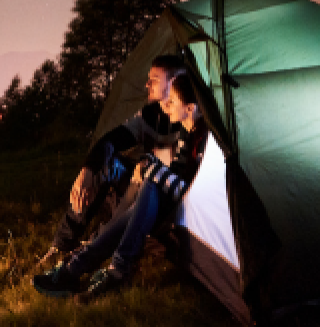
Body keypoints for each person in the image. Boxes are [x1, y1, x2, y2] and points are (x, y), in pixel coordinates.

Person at [33, 72, 210, 301]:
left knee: (149, 184)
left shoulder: (204, 138)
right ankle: (87, 263)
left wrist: (149, 169)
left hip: (186, 209)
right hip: (157, 197)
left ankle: (90, 268)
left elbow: (187, 191)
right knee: (138, 179)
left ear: (189, 107)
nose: (166, 103)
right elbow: (170, 171)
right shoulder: (184, 128)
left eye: (172, 100)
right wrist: (146, 165)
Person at [41, 54, 188, 265]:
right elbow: (110, 141)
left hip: (166, 202)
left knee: (142, 181)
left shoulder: (190, 117)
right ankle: (62, 245)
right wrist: (87, 171)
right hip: (138, 189)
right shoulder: (149, 116)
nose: (147, 84)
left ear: (174, 82)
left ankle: (104, 244)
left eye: (154, 79)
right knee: (105, 164)